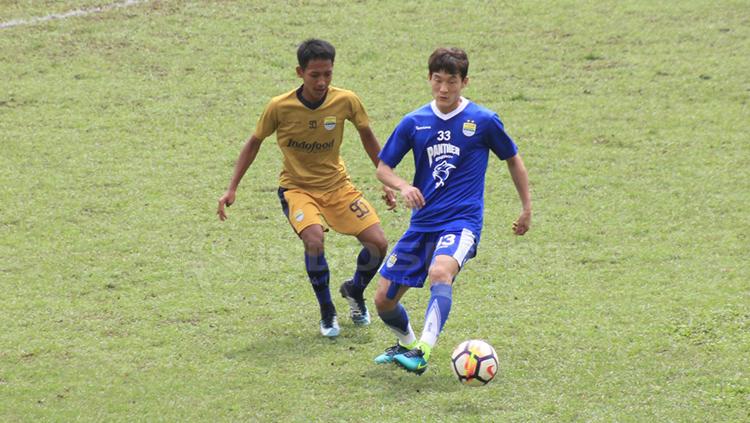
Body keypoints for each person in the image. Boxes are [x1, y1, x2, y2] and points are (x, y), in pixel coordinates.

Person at [217, 39, 396, 338]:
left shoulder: (346, 101)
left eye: (328, 73)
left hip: (338, 187)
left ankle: (354, 291)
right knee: (314, 240)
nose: (322, 81)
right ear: (300, 72)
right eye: (315, 75)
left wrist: (386, 178)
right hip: (297, 189)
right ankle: (327, 312)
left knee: (378, 244)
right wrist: (232, 187)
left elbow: (368, 137)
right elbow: (253, 143)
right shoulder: (279, 107)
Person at [372, 47, 531, 374]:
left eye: (452, 81)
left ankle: (423, 352)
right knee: (384, 300)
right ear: (429, 79)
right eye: (438, 80)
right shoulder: (414, 122)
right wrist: (402, 186)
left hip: (461, 222)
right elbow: (383, 167)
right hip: (423, 224)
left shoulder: (484, 121)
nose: (444, 89)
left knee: (440, 272)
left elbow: (512, 158)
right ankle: (406, 343)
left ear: (465, 82)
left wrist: (526, 206)